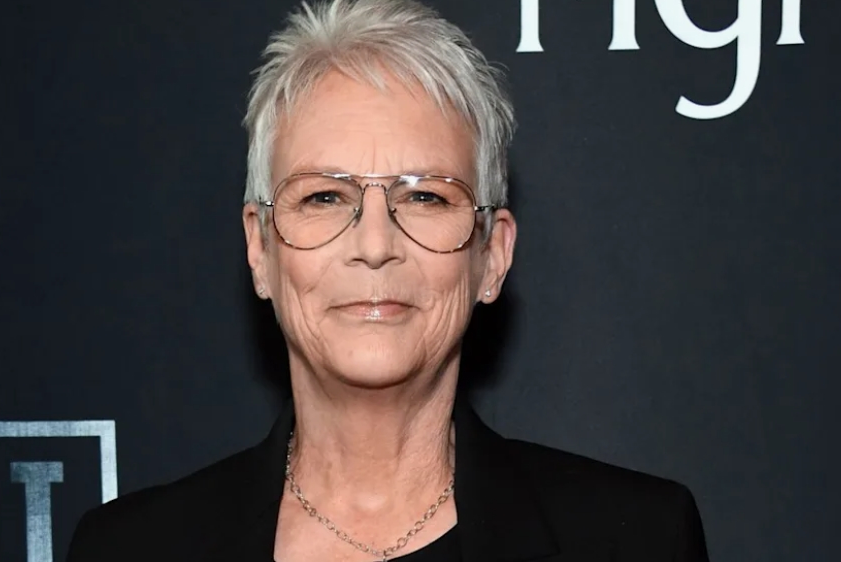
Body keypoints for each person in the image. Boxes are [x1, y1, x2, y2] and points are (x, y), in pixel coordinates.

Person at [65, 0, 710, 560]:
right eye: (323, 197)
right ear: (260, 248)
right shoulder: (127, 549)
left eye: (426, 196)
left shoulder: (638, 540)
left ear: (492, 254)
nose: (375, 246)